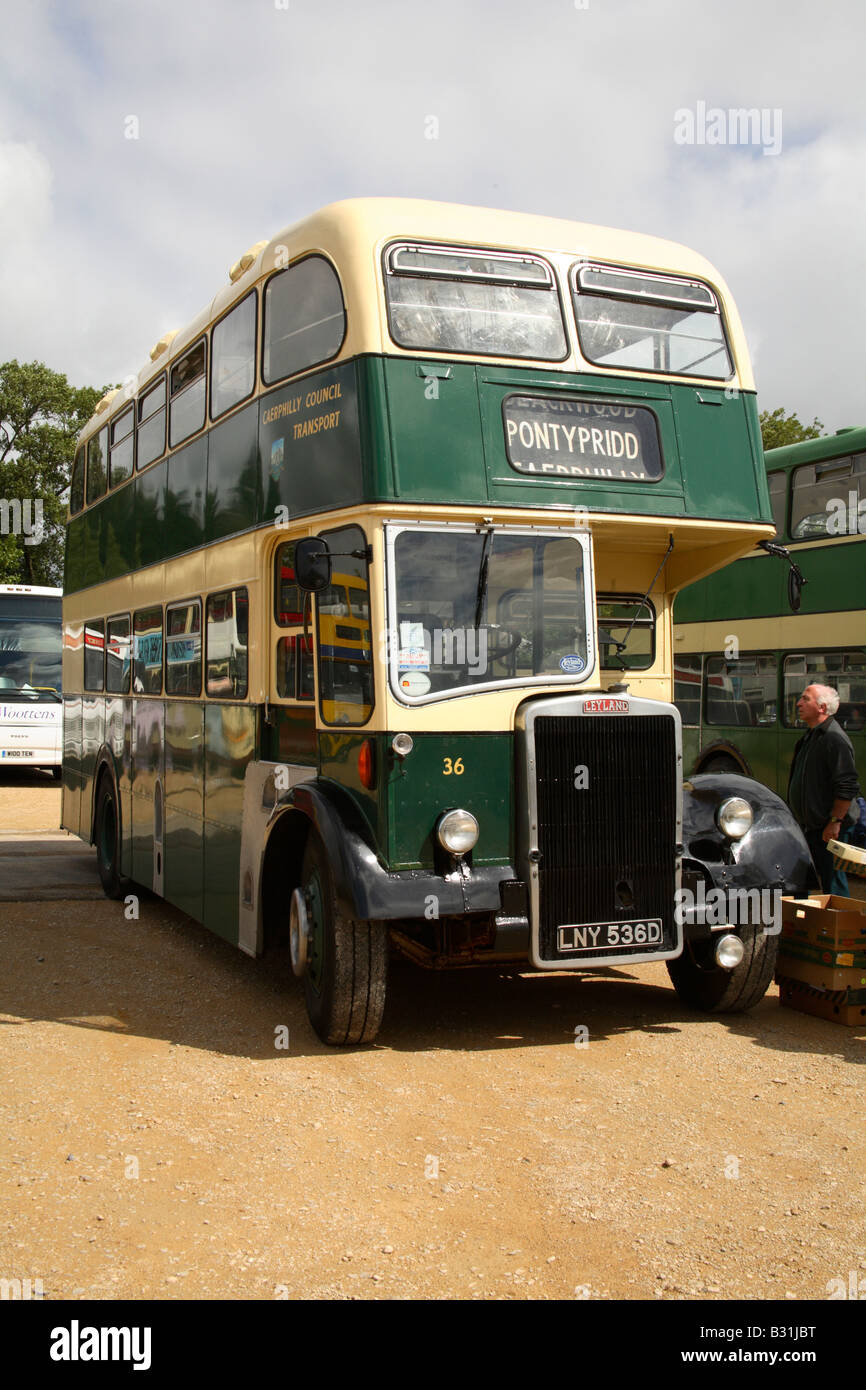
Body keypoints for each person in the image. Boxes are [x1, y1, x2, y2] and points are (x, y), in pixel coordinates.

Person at [787, 683, 861, 895]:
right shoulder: (811, 735)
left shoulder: (834, 738)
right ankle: (803, 924)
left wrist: (835, 822)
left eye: (805, 699)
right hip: (811, 826)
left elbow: (847, 786)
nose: (799, 703)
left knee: (834, 885)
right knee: (800, 880)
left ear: (822, 707)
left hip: (829, 828)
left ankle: (841, 926)